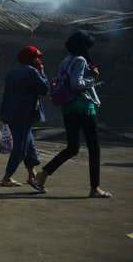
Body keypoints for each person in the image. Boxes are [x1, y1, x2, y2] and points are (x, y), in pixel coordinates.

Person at [34, 31, 112, 198]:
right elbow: (77, 85)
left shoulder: (65, 61)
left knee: (72, 148)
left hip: (68, 108)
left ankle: (43, 174)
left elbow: (70, 83)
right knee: (94, 147)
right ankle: (94, 188)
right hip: (83, 107)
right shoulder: (80, 60)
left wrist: (92, 85)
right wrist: (92, 78)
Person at [0, 46, 49, 189]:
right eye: (36, 57)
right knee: (20, 148)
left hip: (11, 113)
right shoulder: (32, 72)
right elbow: (44, 89)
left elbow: (6, 94)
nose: (38, 60)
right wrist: (42, 72)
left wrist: (2, 112)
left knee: (29, 143)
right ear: (31, 58)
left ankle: (32, 173)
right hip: (24, 114)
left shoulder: (12, 73)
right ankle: (7, 177)